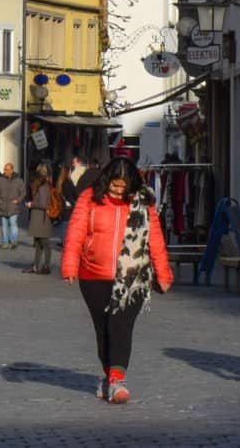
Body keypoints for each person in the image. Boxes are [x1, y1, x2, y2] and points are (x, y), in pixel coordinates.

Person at [61, 156, 172, 404]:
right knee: (103, 330)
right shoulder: (88, 198)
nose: (118, 189)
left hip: (133, 278)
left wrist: (163, 273)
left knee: (120, 326)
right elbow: (76, 232)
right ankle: (109, 375)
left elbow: (155, 238)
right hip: (93, 276)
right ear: (106, 180)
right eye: (115, 184)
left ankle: (117, 380)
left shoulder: (144, 203)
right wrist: (70, 265)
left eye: (123, 186)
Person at [23, 163, 58, 274]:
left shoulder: (43, 188)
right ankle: (36, 266)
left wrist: (31, 204)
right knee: (38, 243)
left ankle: (46, 266)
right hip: (39, 219)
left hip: (41, 219)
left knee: (45, 243)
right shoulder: (42, 187)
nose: (31, 184)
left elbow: (43, 204)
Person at [0, 161, 27, 250]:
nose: (5, 171)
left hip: (13, 207)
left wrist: (18, 200)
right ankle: (5, 243)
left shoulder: (19, 180)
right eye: (4, 169)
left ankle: (13, 241)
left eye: (7, 170)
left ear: (12, 170)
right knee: (4, 226)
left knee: (13, 224)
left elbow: (23, 192)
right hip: (2, 206)